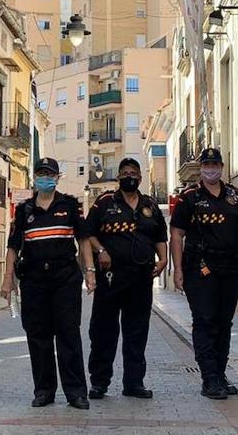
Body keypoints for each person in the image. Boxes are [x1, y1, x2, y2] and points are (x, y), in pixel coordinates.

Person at [1, 158, 93, 410]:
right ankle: (44, 390)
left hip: (64, 279)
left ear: (57, 177)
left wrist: (90, 272)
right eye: (40, 173)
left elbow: (84, 240)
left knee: (68, 335)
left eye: (49, 173)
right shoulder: (24, 210)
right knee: (38, 337)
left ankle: (76, 392)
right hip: (33, 281)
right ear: (34, 177)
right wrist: (8, 278)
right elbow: (13, 246)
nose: (45, 177)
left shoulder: (70, 206)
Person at [85, 157, 168, 400]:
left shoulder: (150, 205)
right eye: (125, 172)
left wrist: (163, 260)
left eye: (133, 172)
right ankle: (99, 383)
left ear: (140, 178)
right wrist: (101, 250)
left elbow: (160, 237)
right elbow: (88, 233)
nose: (129, 176)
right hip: (110, 278)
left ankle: (134, 383)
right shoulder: (104, 203)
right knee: (103, 332)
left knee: (137, 332)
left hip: (141, 278)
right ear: (119, 177)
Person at [170, 147, 238, 400]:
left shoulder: (235, 195)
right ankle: (209, 378)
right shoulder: (189, 197)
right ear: (201, 168)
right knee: (205, 321)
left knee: (224, 323)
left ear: (222, 167)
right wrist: (177, 269)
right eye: (207, 164)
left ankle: (220, 374)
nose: (211, 168)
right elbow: (177, 234)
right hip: (199, 268)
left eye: (215, 164)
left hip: (231, 267)